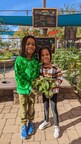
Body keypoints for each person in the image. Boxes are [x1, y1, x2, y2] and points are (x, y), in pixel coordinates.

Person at [14, 35, 40, 140]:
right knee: (23, 107)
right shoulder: (19, 60)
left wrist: (38, 82)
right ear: (23, 45)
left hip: (33, 90)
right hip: (22, 89)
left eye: (33, 44)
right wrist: (28, 86)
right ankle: (24, 125)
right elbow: (18, 76)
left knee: (32, 106)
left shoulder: (35, 61)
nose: (31, 46)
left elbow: (37, 74)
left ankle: (31, 123)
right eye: (28, 44)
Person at [38, 47, 63, 138]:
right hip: (45, 92)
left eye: (47, 54)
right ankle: (46, 121)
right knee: (45, 106)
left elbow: (60, 77)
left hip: (53, 92)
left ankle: (56, 126)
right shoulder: (40, 68)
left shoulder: (55, 67)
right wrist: (40, 84)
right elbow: (39, 78)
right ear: (40, 57)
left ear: (50, 55)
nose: (45, 57)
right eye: (43, 55)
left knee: (53, 108)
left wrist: (54, 84)